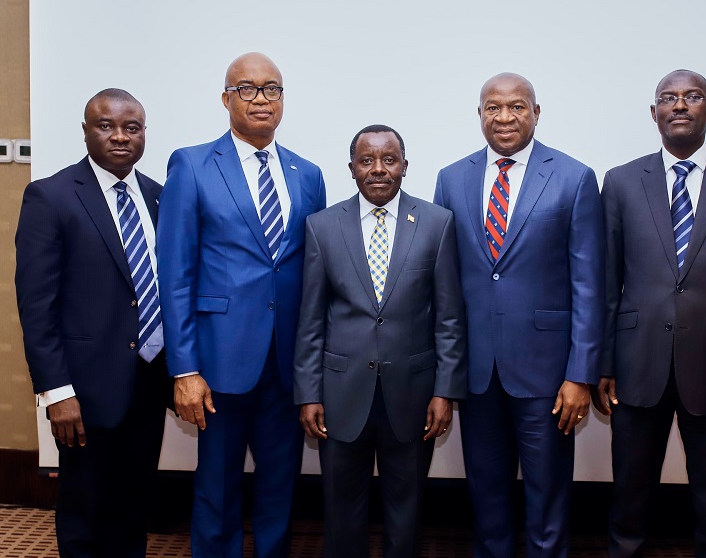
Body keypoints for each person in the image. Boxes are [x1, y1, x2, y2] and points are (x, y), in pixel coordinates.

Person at [592, 69, 706, 558]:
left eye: (692, 97)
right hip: (636, 364)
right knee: (629, 497)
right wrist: (604, 362)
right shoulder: (621, 182)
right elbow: (607, 283)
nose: (679, 105)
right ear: (653, 112)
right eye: (667, 98)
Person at [157, 52, 326, 557]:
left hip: (286, 363)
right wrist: (184, 367)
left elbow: (315, 274)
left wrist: (313, 365)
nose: (261, 98)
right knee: (218, 489)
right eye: (248, 89)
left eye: (271, 89)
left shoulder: (308, 174)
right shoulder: (190, 164)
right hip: (218, 363)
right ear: (226, 99)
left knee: (280, 488)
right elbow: (176, 273)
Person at [433, 73, 604, 557]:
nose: (504, 117)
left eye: (516, 107)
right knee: (486, 500)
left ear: (536, 112)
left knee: (547, 500)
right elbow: (444, 287)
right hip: (477, 372)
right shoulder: (452, 178)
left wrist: (580, 375)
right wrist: (445, 375)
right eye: (493, 107)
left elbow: (589, 285)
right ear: (480, 114)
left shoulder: (574, 177)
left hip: (549, 376)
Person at [294, 125, 466, 558]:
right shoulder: (321, 227)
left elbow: (448, 317)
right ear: (351, 168)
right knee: (341, 512)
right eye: (367, 160)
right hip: (339, 394)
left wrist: (445, 390)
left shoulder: (437, 223)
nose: (378, 169)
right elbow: (311, 319)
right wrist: (308, 393)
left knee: (405, 512)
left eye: (389, 160)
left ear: (405, 166)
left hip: (412, 394)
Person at [15, 88, 171, 558]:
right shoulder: (52, 195)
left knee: (132, 506)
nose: (120, 136)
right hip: (83, 390)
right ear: (86, 131)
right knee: (84, 511)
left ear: (144, 134)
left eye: (132, 127)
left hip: (149, 378)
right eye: (106, 126)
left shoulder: (159, 198)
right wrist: (57, 392)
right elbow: (37, 304)